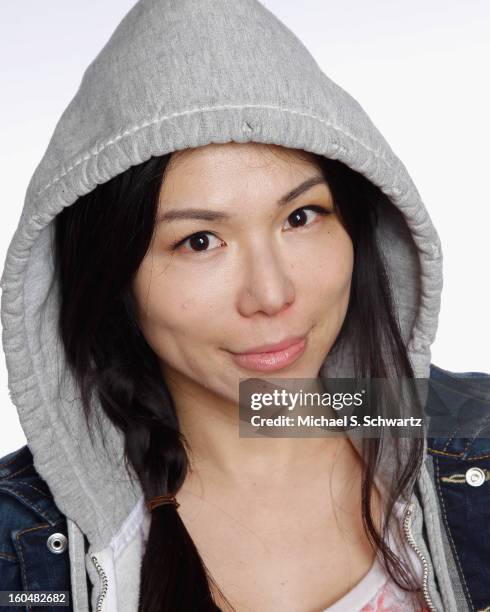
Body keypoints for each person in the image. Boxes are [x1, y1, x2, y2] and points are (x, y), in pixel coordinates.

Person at [0, 1, 489, 611]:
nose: (272, 294)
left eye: (301, 216)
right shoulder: (15, 550)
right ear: (111, 276)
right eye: (199, 241)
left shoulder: (477, 436)